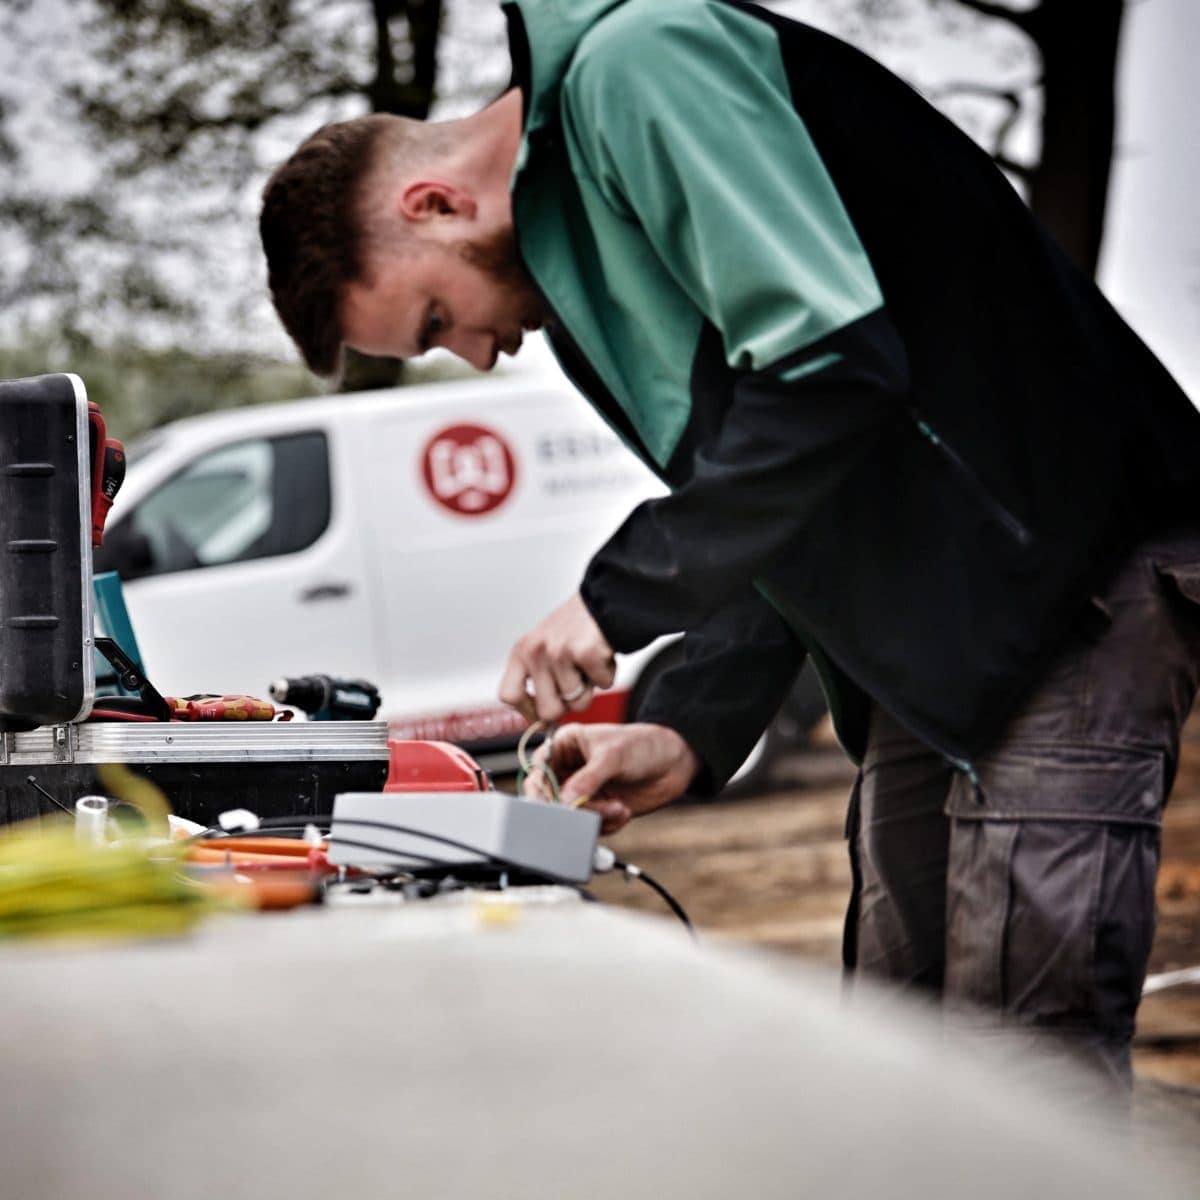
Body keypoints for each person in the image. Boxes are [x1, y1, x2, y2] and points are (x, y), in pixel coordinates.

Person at [259, 0, 1200, 1095]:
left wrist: (614, 600)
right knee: (902, 1060)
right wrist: (690, 723)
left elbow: (834, 368)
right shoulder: (582, 277)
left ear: (435, 202)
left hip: (1071, 578)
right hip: (944, 644)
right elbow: (782, 502)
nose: (474, 356)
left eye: (434, 322)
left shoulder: (641, 66)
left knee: (1023, 1070)